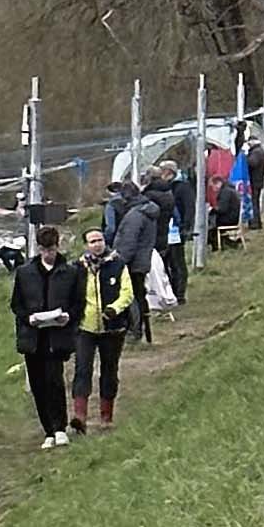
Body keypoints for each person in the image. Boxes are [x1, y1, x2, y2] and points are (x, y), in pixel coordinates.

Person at [9, 225, 87, 448]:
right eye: (44, 250)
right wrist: (28, 318)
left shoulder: (70, 272)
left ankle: (60, 427)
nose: (48, 254)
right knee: (37, 384)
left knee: (54, 381)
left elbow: (78, 303)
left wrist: (68, 317)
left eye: (51, 249)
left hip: (57, 336)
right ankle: (48, 430)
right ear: (38, 248)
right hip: (32, 338)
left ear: (57, 246)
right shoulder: (25, 273)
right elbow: (17, 304)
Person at [70, 225, 139, 433]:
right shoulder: (78, 268)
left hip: (113, 328)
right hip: (85, 327)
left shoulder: (118, 265)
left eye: (99, 240)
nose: (97, 244)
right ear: (86, 245)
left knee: (109, 371)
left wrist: (114, 309)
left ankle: (106, 416)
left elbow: (127, 293)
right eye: (92, 241)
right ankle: (79, 417)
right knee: (82, 370)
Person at [110, 179, 159, 339]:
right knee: (140, 295)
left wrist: (119, 261)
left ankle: (134, 331)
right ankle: (145, 332)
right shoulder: (147, 211)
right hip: (143, 259)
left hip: (132, 262)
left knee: (130, 297)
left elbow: (128, 242)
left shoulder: (134, 216)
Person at [143, 160, 186, 304]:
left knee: (156, 268)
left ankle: (160, 297)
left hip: (153, 235)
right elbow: (176, 214)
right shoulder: (168, 193)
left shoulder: (148, 196)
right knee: (171, 265)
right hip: (168, 232)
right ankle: (174, 293)